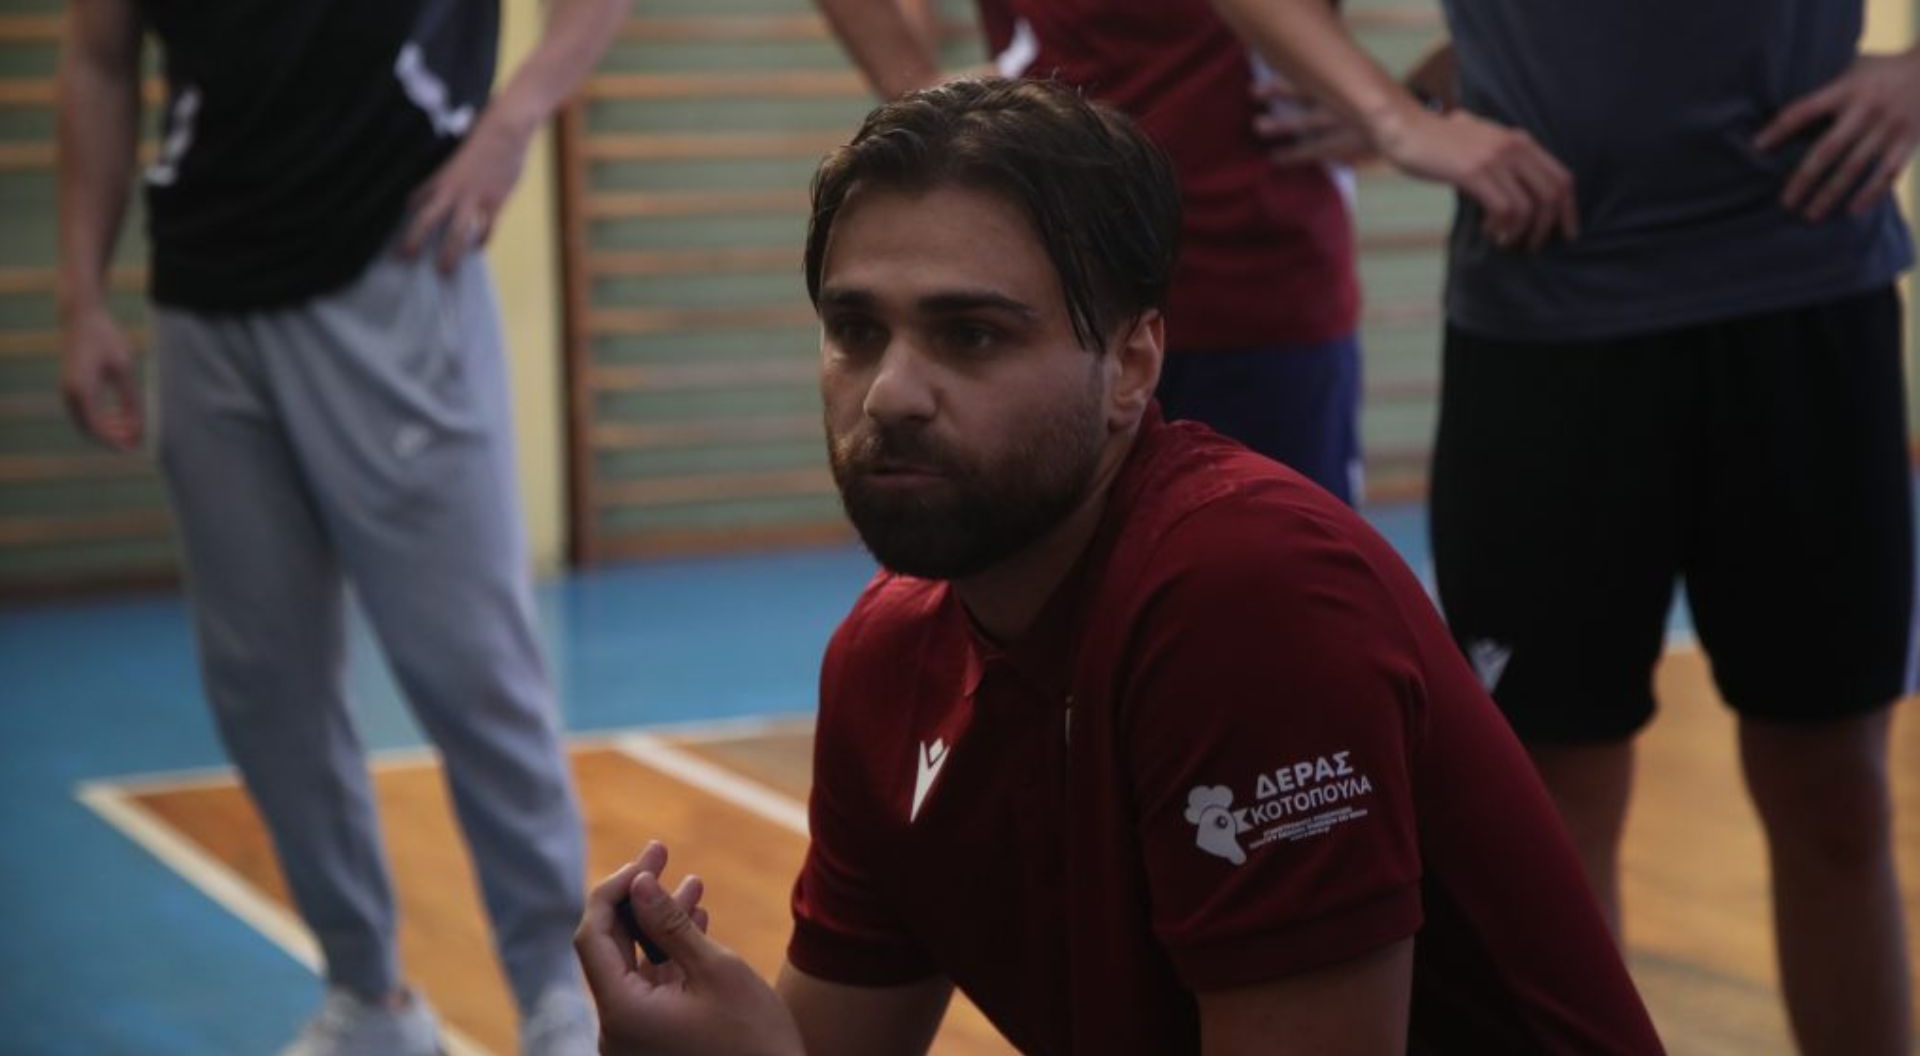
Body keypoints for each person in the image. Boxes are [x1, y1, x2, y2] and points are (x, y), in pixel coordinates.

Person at [573, 78, 1664, 1055]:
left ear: (1133, 365)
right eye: (855, 331)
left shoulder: (1246, 597)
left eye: (972, 335)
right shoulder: (888, 661)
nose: (891, 393)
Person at [1180, 0, 1920, 1052]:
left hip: (1803, 291)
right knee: (1551, 823)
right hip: (1545, 321)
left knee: (1836, 792)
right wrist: (1394, 114)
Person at [57, 0, 644, 1051]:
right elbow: (99, 55)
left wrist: (514, 120)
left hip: (399, 254)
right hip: (203, 291)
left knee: (471, 664)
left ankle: (560, 998)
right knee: (263, 685)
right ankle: (368, 999)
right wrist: (81, 293)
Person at [792, 0, 1552, 505]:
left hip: (1261, 275)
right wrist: (924, 95)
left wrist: (1407, 102)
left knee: (1275, 617)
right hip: (1052, 285)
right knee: (1041, 622)